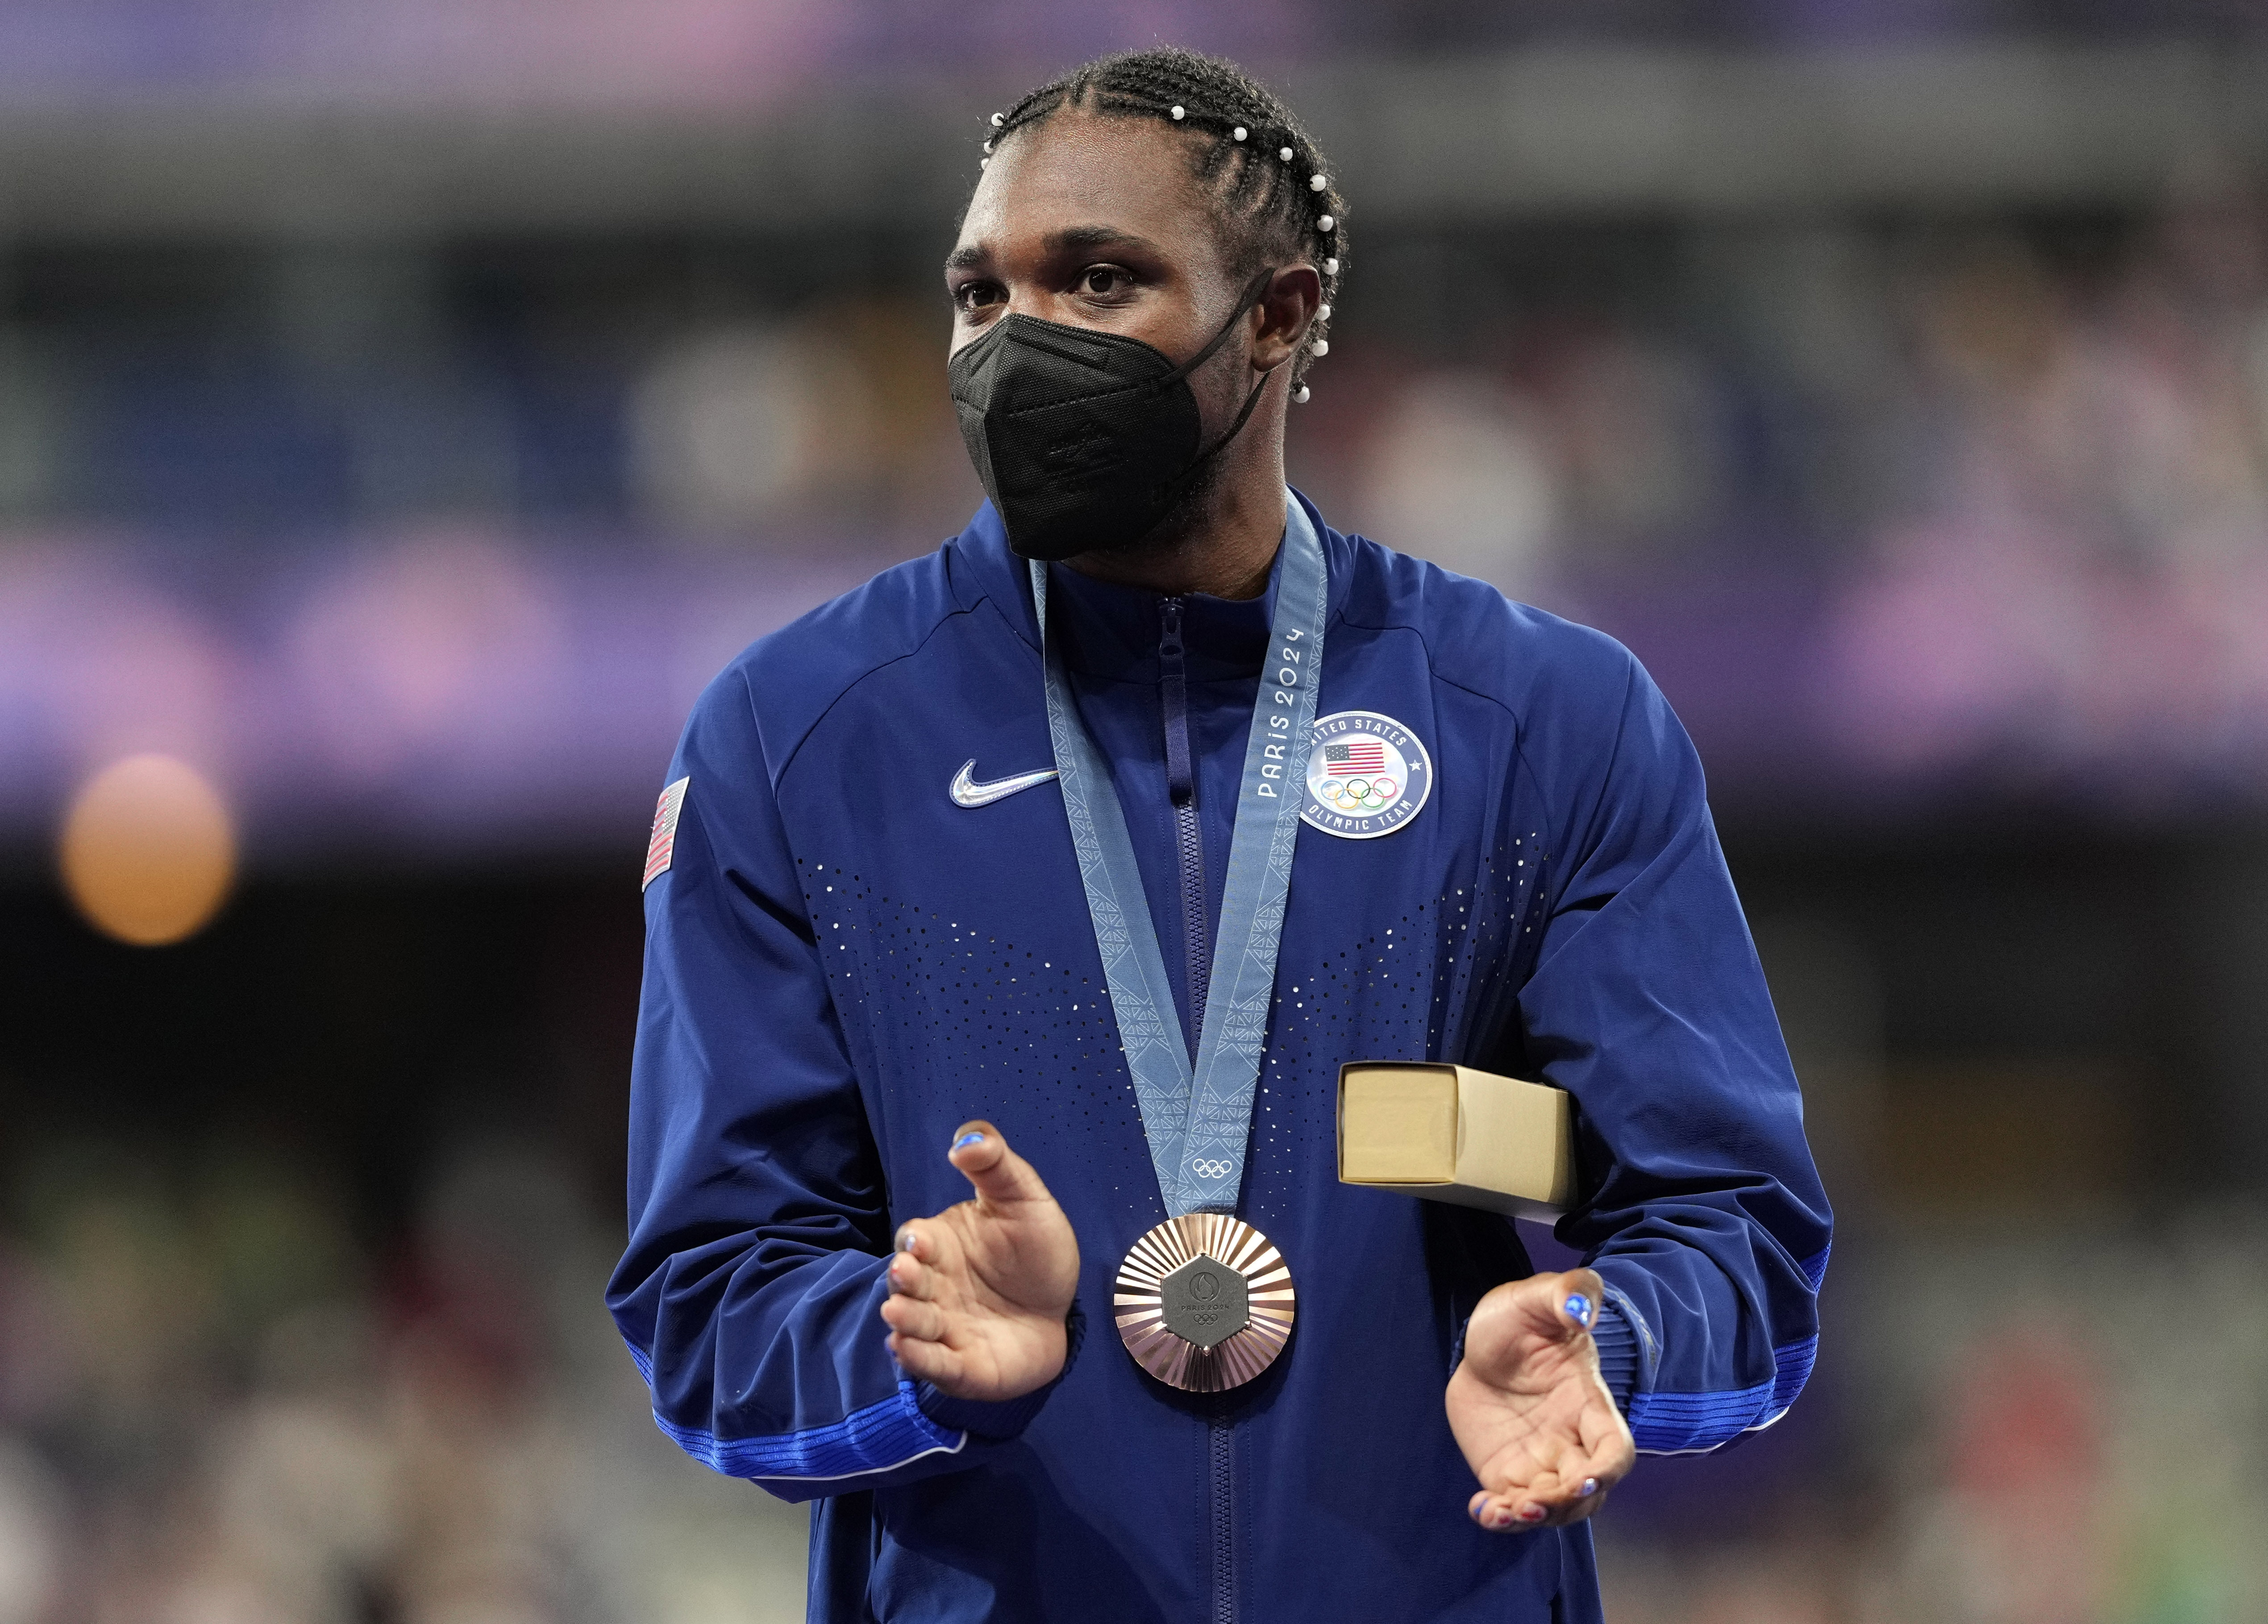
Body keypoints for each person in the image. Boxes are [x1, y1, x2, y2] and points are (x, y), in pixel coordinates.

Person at [608, 46, 1831, 1624]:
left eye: (1098, 281)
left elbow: (1740, 1237)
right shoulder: (798, 736)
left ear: (1278, 316)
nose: (1016, 343)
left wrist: (1617, 1337)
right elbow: (709, 1315)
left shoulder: (1542, 720)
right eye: (981, 296)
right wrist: (909, 1351)